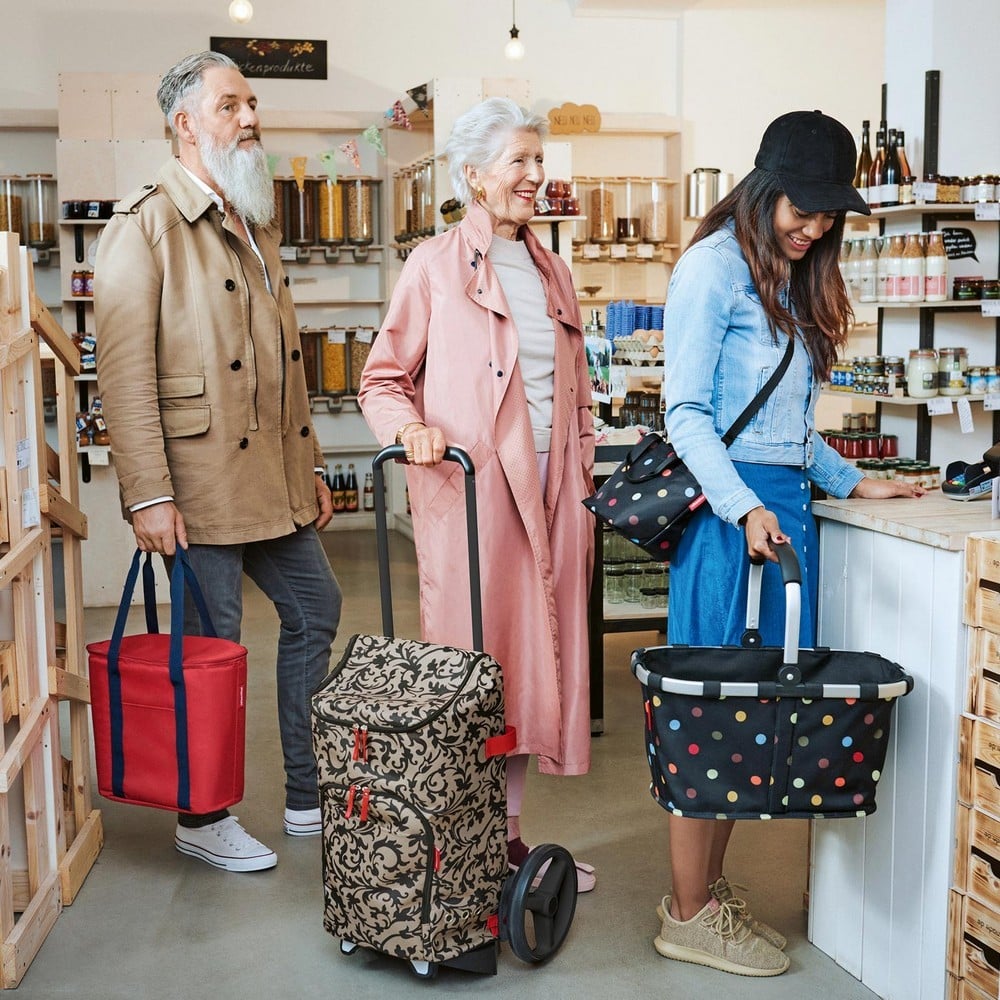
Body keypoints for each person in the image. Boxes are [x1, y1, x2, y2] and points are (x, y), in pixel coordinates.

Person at [657, 110, 925, 975]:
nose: (814, 227)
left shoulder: (784, 276)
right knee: (708, 706)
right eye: (801, 209)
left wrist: (854, 481)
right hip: (732, 517)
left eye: (827, 215)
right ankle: (687, 912)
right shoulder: (711, 271)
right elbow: (687, 414)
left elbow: (790, 428)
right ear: (765, 187)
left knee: (753, 710)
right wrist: (740, 511)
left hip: (783, 515)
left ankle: (707, 892)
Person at [95, 51, 342, 873]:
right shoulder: (145, 225)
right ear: (186, 123)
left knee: (316, 606)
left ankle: (306, 796)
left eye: (251, 103)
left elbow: (286, 360)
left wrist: (306, 461)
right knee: (214, 645)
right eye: (231, 105)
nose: (249, 118)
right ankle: (203, 815)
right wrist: (147, 494)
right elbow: (123, 375)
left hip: (271, 477)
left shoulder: (253, 220)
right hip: (195, 486)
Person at [358, 97, 597, 892]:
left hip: (554, 489)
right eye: (518, 162)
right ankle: (461, 841)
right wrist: (410, 429)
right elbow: (382, 379)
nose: (535, 176)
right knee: (473, 667)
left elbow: (577, 387)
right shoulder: (432, 266)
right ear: (472, 176)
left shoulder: (552, 267)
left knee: (532, 665)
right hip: (472, 494)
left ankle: (510, 839)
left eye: (538, 160)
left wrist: (586, 458)